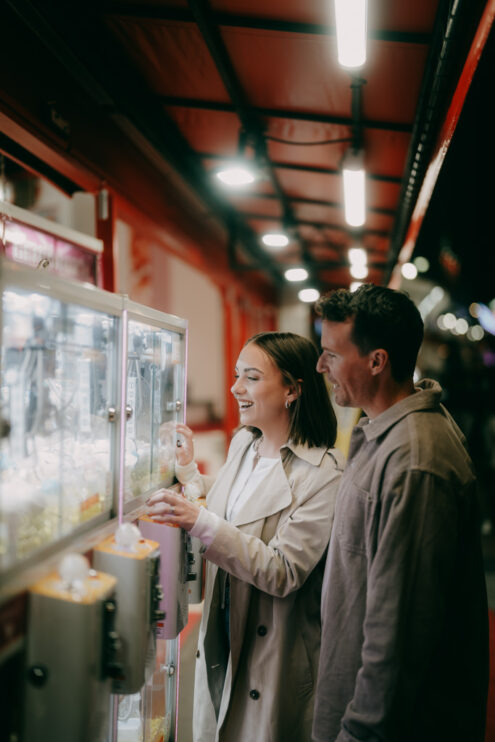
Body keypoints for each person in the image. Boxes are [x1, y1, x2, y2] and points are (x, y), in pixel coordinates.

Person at [312, 284, 489, 742]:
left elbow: (399, 632)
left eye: (331, 353)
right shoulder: (379, 432)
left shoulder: (415, 462)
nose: (320, 365)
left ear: (377, 361)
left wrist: (358, 732)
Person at [147, 331, 343, 742]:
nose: (236, 388)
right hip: (220, 636)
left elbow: (283, 571)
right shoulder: (243, 444)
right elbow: (229, 519)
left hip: (272, 655)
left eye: (251, 377)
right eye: (238, 375)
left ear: (292, 389)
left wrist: (197, 519)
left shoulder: (324, 475)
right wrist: (190, 477)